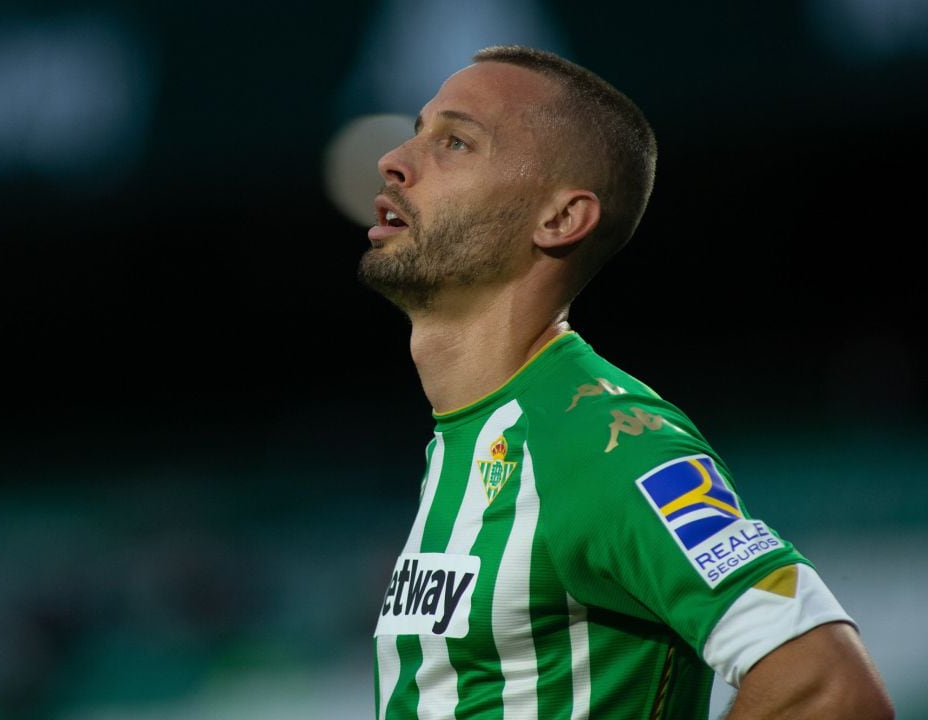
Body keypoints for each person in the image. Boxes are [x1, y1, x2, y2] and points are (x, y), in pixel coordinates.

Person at [358, 44, 894, 720]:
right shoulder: (471, 437)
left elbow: (829, 688)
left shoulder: (604, 441)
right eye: (418, 132)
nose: (394, 161)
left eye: (456, 142)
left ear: (560, 218)